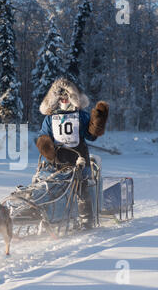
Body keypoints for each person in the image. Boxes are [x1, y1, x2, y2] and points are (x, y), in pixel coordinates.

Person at [36, 78, 109, 229]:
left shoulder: (81, 116)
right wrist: (45, 145)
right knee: (49, 185)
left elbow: (91, 135)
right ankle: (48, 214)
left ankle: (86, 218)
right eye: (61, 97)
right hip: (57, 160)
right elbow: (44, 135)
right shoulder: (50, 118)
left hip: (79, 158)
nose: (64, 100)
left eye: (66, 96)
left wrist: (97, 123)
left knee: (82, 186)